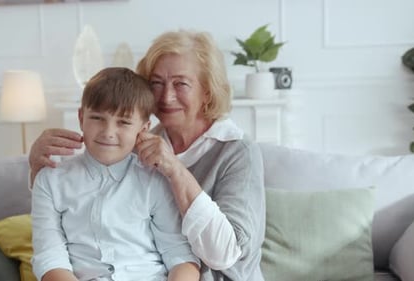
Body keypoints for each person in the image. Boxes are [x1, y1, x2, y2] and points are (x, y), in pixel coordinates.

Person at [29, 30, 266, 281]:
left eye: (181, 83)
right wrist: (36, 166)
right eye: (156, 83)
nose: (166, 96)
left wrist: (175, 170)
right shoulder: (133, 143)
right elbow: (61, 216)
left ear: (207, 91)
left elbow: (225, 255)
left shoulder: (238, 152)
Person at [30, 67, 200, 281]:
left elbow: (179, 255)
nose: (108, 132)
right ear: (81, 118)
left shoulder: (156, 180)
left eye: (124, 122)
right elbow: (49, 256)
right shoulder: (51, 180)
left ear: (144, 128)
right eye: (97, 118)